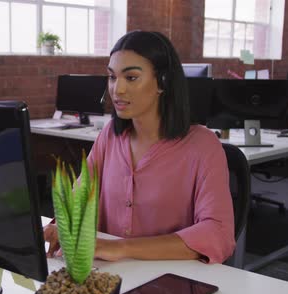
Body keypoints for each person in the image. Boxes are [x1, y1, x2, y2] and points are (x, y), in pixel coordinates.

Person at [44, 30, 235, 264]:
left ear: (162, 82)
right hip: (110, 276)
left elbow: (218, 233)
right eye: (112, 77)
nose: (117, 89)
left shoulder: (204, 146)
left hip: (172, 280)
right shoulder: (109, 137)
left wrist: (121, 248)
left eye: (131, 77)